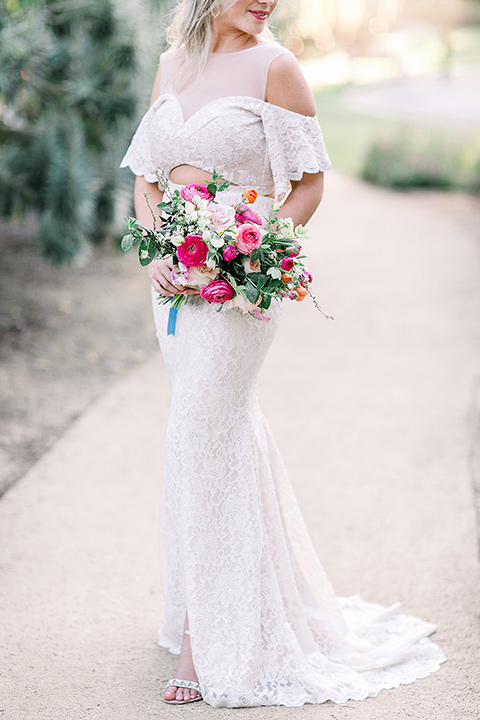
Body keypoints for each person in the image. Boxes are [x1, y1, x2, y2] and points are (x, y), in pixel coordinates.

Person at [120, 0, 446, 708]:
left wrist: (245, 251)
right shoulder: (172, 66)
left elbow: (308, 185)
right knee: (210, 438)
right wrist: (157, 253)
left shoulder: (279, 66)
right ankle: (200, 605)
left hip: (236, 291)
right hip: (174, 287)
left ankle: (206, 641)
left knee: (204, 430)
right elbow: (147, 179)